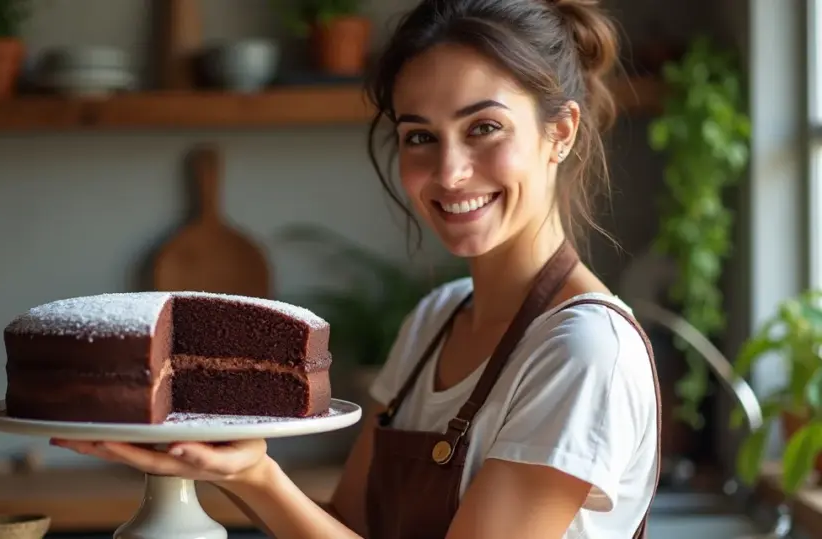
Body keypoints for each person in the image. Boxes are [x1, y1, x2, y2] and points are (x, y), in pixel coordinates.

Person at [51, 0, 662, 537]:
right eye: (420, 136)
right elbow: (349, 529)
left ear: (560, 132)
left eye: (484, 128)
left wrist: (260, 476)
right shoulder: (434, 322)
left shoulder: (584, 351)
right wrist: (239, 471)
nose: (449, 172)